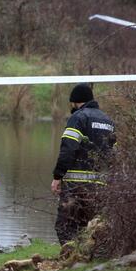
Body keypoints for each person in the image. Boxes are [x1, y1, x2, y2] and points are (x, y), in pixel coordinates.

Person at [51, 83, 116, 244]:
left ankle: (70, 260)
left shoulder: (78, 117)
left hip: (76, 186)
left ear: (75, 101)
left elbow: (68, 148)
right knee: (91, 226)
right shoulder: (108, 121)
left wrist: (57, 176)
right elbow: (114, 155)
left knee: (65, 226)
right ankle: (87, 259)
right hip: (99, 186)